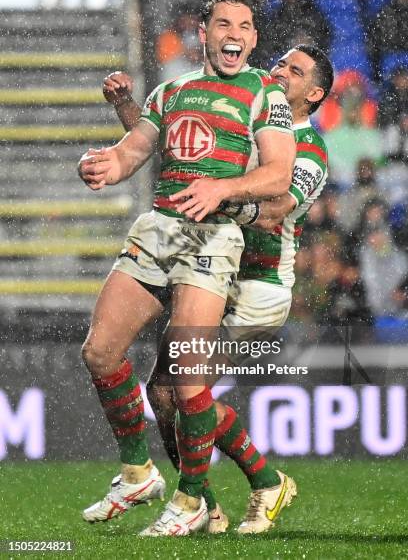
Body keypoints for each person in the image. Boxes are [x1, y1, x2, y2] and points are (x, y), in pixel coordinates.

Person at [78, 0, 296, 537]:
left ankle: (193, 498)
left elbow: (278, 175)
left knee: (187, 382)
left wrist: (222, 189)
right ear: (204, 33)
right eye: (225, 24)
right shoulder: (173, 90)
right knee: (100, 352)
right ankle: (137, 471)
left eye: (245, 27)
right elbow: (135, 149)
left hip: (214, 238)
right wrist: (106, 163)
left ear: (252, 39)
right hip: (158, 230)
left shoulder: (265, 94)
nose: (235, 35)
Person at [101, 43, 333, 534]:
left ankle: (257, 482)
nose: (279, 71)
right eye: (280, 62)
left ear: (313, 94)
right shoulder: (253, 121)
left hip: (254, 287)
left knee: (183, 391)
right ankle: (205, 499)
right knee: (165, 395)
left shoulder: (308, 150)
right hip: (208, 269)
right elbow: (181, 158)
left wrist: (220, 194)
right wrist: (129, 111)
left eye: (294, 71)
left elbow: (273, 211)